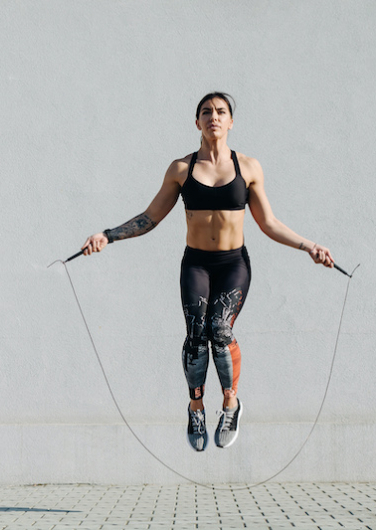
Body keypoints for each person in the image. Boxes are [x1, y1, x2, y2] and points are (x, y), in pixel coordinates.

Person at [81, 92, 334, 452]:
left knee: (220, 328)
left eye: (220, 112)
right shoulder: (181, 170)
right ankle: (196, 406)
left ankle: (230, 403)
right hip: (196, 263)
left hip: (233, 264)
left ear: (231, 121)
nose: (213, 117)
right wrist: (107, 236)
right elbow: (150, 217)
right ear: (197, 122)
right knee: (197, 333)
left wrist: (309, 246)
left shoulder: (248, 168)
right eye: (206, 112)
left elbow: (269, 223)